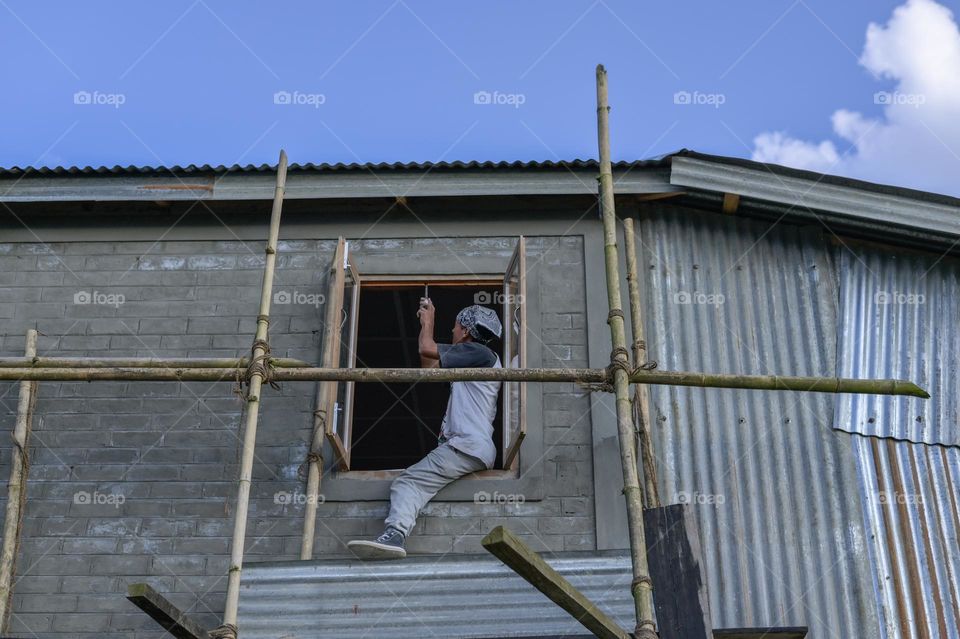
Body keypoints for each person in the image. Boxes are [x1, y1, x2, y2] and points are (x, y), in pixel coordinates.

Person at [347, 298, 502, 560]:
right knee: (417, 482)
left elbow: (427, 347)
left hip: (466, 445)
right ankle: (396, 532)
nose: (452, 331)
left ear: (465, 331)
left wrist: (429, 321)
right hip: (472, 447)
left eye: (455, 327)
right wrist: (424, 326)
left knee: (408, 482)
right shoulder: (474, 359)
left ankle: (395, 533)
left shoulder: (480, 353)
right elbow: (428, 367)